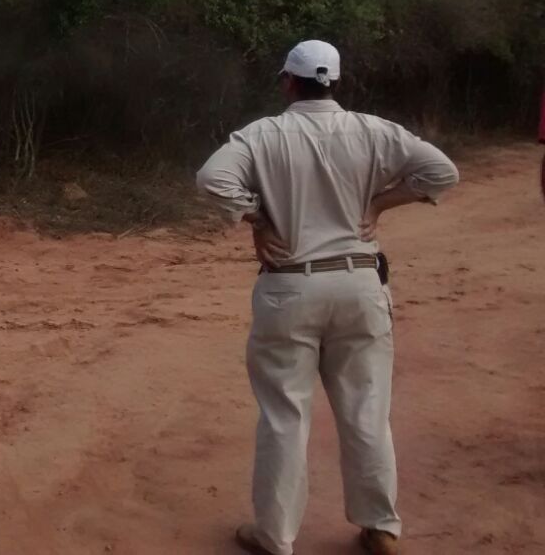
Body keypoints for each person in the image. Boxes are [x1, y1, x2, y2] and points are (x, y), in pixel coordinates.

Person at [196, 40, 459, 555]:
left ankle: (274, 534)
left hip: (288, 285)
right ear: (334, 82)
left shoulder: (263, 135)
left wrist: (258, 216)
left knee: (283, 415)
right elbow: (442, 172)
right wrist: (385, 201)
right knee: (367, 409)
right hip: (360, 282)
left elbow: (212, 179)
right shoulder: (374, 130)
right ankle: (380, 526)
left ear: (288, 82)